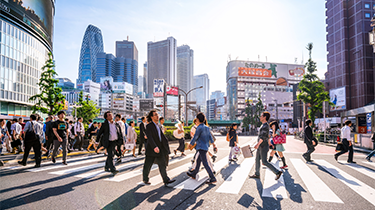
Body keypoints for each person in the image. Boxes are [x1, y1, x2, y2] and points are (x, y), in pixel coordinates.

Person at [142, 110, 176, 187]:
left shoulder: (159, 125)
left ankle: (166, 180)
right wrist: (154, 146)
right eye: (155, 115)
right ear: (151, 117)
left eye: (157, 114)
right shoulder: (149, 126)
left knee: (162, 164)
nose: (157, 116)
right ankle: (145, 178)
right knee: (148, 165)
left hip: (160, 149)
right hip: (151, 149)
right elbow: (150, 138)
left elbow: (161, 137)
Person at [249, 112, 283, 180]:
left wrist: (257, 144)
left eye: (261, 116)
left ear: (264, 117)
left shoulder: (265, 126)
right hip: (261, 146)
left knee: (264, 161)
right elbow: (267, 136)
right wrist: (269, 144)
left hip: (263, 146)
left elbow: (263, 137)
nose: (260, 117)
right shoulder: (263, 125)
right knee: (257, 159)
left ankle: (277, 172)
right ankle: (257, 173)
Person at [187, 112, 218, 184]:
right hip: (206, 147)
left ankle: (212, 177)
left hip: (201, 147)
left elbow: (195, 137)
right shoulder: (207, 128)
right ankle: (194, 174)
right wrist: (214, 145)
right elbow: (210, 137)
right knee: (198, 161)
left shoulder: (199, 127)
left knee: (205, 163)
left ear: (197, 119)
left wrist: (190, 144)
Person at [96, 111, 123, 175]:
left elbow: (120, 133)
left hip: (115, 141)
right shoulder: (104, 125)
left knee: (111, 155)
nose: (111, 116)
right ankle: (113, 169)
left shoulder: (116, 124)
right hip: (108, 142)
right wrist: (97, 141)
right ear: (106, 117)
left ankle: (106, 166)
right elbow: (99, 133)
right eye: (109, 115)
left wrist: (121, 141)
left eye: (111, 114)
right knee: (111, 155)